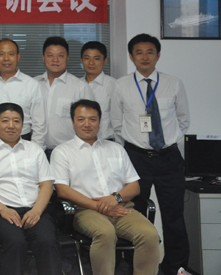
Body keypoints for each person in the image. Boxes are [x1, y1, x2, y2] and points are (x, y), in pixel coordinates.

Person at [110, 33, 190, 275]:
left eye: (150, 52)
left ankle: (175, 266)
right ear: (131, 56)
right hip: (136, 158)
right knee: (133, 212)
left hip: (169, 158)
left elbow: (183, 120)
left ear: (158, 55)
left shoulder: (173, 83)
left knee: (174, 215)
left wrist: (166, 143)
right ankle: (131, 264)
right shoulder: (121, 85)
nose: (144, 57)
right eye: (139, 52)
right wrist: (134, 147)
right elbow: (116, 123)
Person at [51, 99, 160, 275]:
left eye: (92, 119)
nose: (87, 124)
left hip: (121, 207)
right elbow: (62, 190)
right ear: (73, 122)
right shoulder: (62, 152)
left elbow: (134, 186)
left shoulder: (116, 149)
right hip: (85, 211)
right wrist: (99, 206)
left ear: (100, 121)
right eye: (81, 119)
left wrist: (115, 198)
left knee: (149, 234)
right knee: (105, 233)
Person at [0, 102, 61, 275]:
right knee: (15, 241)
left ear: (23, 124)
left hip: (36, 210)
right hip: (1, 213)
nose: (11, 125)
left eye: (16, 121)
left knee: (47, 240)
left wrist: (36, 211)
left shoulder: (35, 150)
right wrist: (3, 209)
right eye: (5, 120)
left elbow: (46, 185)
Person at [0, 38, 46, 148]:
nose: (6, 58)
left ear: (18, 57)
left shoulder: (32, 85)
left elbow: (39, 124)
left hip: (22, 143)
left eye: (11, 54)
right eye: (1, 54)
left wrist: (36, 150)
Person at [34, 36, 94, 155]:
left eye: (60, 56)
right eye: (50, 55)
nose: (55, 60)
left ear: (67, 58)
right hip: (36, 151)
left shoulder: (80, 87)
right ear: (43, 57)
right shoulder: (33, 84)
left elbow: (89, 123)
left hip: (69, 153)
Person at [80, 41, 115, 140]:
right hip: (80, 142)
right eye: (87, 58)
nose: (91, 63)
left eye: (96, 58)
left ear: (105, 60)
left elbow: (119, 119)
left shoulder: (114, 85)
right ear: (81, 60)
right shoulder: (76, 85)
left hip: (106, 141)